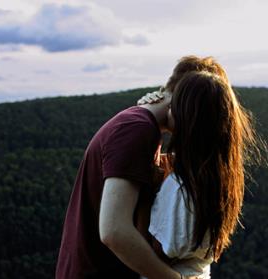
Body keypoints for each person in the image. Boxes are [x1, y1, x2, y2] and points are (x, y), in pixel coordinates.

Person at [55, 55, 249, 279]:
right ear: (180, 98)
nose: (200, 125)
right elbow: (113, 231)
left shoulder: (143, 126)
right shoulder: (137, 129)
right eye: (198, 113)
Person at [138, 67, 266, 278]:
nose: (167, 110)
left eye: (173, 106)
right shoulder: (216, 176)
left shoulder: (182, 188)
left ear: (186, 118)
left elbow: (151, 252)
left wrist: (144, 194)